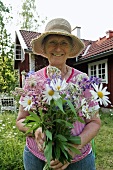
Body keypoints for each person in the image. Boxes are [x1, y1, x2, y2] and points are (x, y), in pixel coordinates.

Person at [16, 18, 101, 170]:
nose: (58, 48)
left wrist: (72, 148)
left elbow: (94, 122)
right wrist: (36, 130)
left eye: (64, 43)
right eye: (52, 42)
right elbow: (21, 120)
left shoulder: (82, 80)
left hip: (79, 161)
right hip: (37, 159)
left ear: (69, 49)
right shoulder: (33, 80)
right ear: (44, 48)